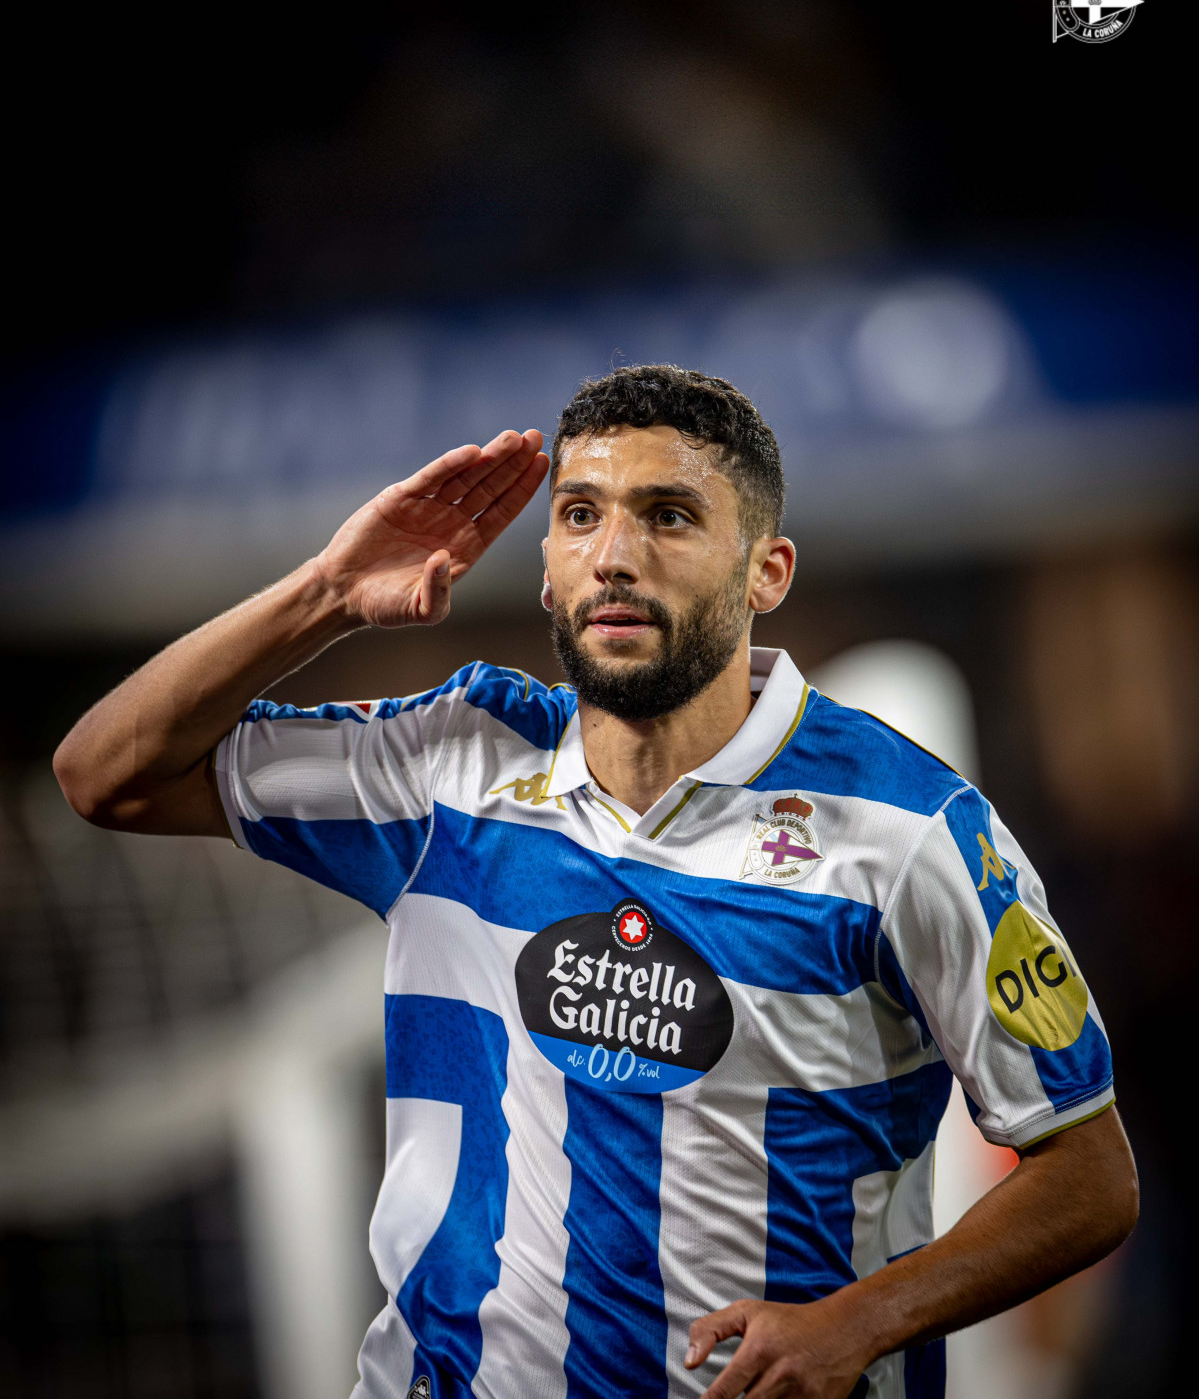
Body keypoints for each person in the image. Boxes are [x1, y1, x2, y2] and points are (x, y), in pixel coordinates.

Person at [55, 365, 1137, 1399]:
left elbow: (1086, 1172)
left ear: (767, 569)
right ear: (544, 565)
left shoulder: (906, 827)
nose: (613, 553)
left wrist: (855, 1321)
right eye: (579, 514)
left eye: (667, 515)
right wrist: (328, 592)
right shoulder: (450, 766)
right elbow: (105, 772)